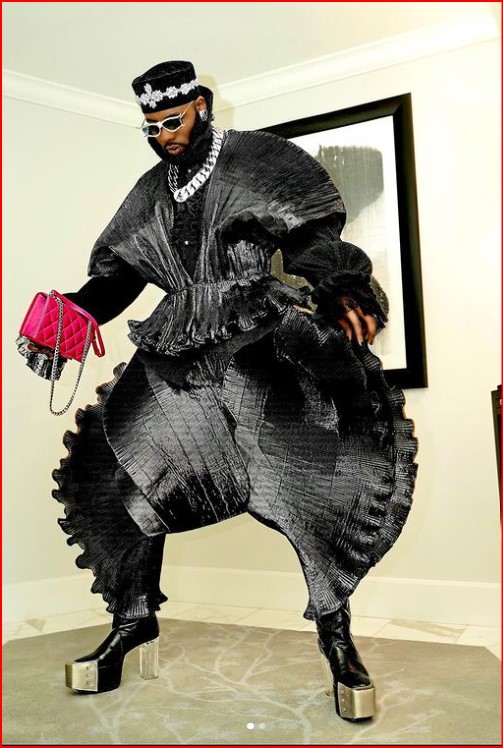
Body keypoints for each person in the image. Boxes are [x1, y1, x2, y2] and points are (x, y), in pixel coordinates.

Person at [17, 61, 418, 720]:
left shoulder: (254, 161)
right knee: (124, 473)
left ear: (201, 105)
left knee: (307, 481)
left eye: (172, 122)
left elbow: (309, 238)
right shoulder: (150, 191)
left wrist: (343, 283)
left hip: (257, 337)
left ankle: (336, 636)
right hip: (179, 348)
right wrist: (73, 313)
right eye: (151, 128)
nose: (163, 137)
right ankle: (132, 620)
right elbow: (119, 276)